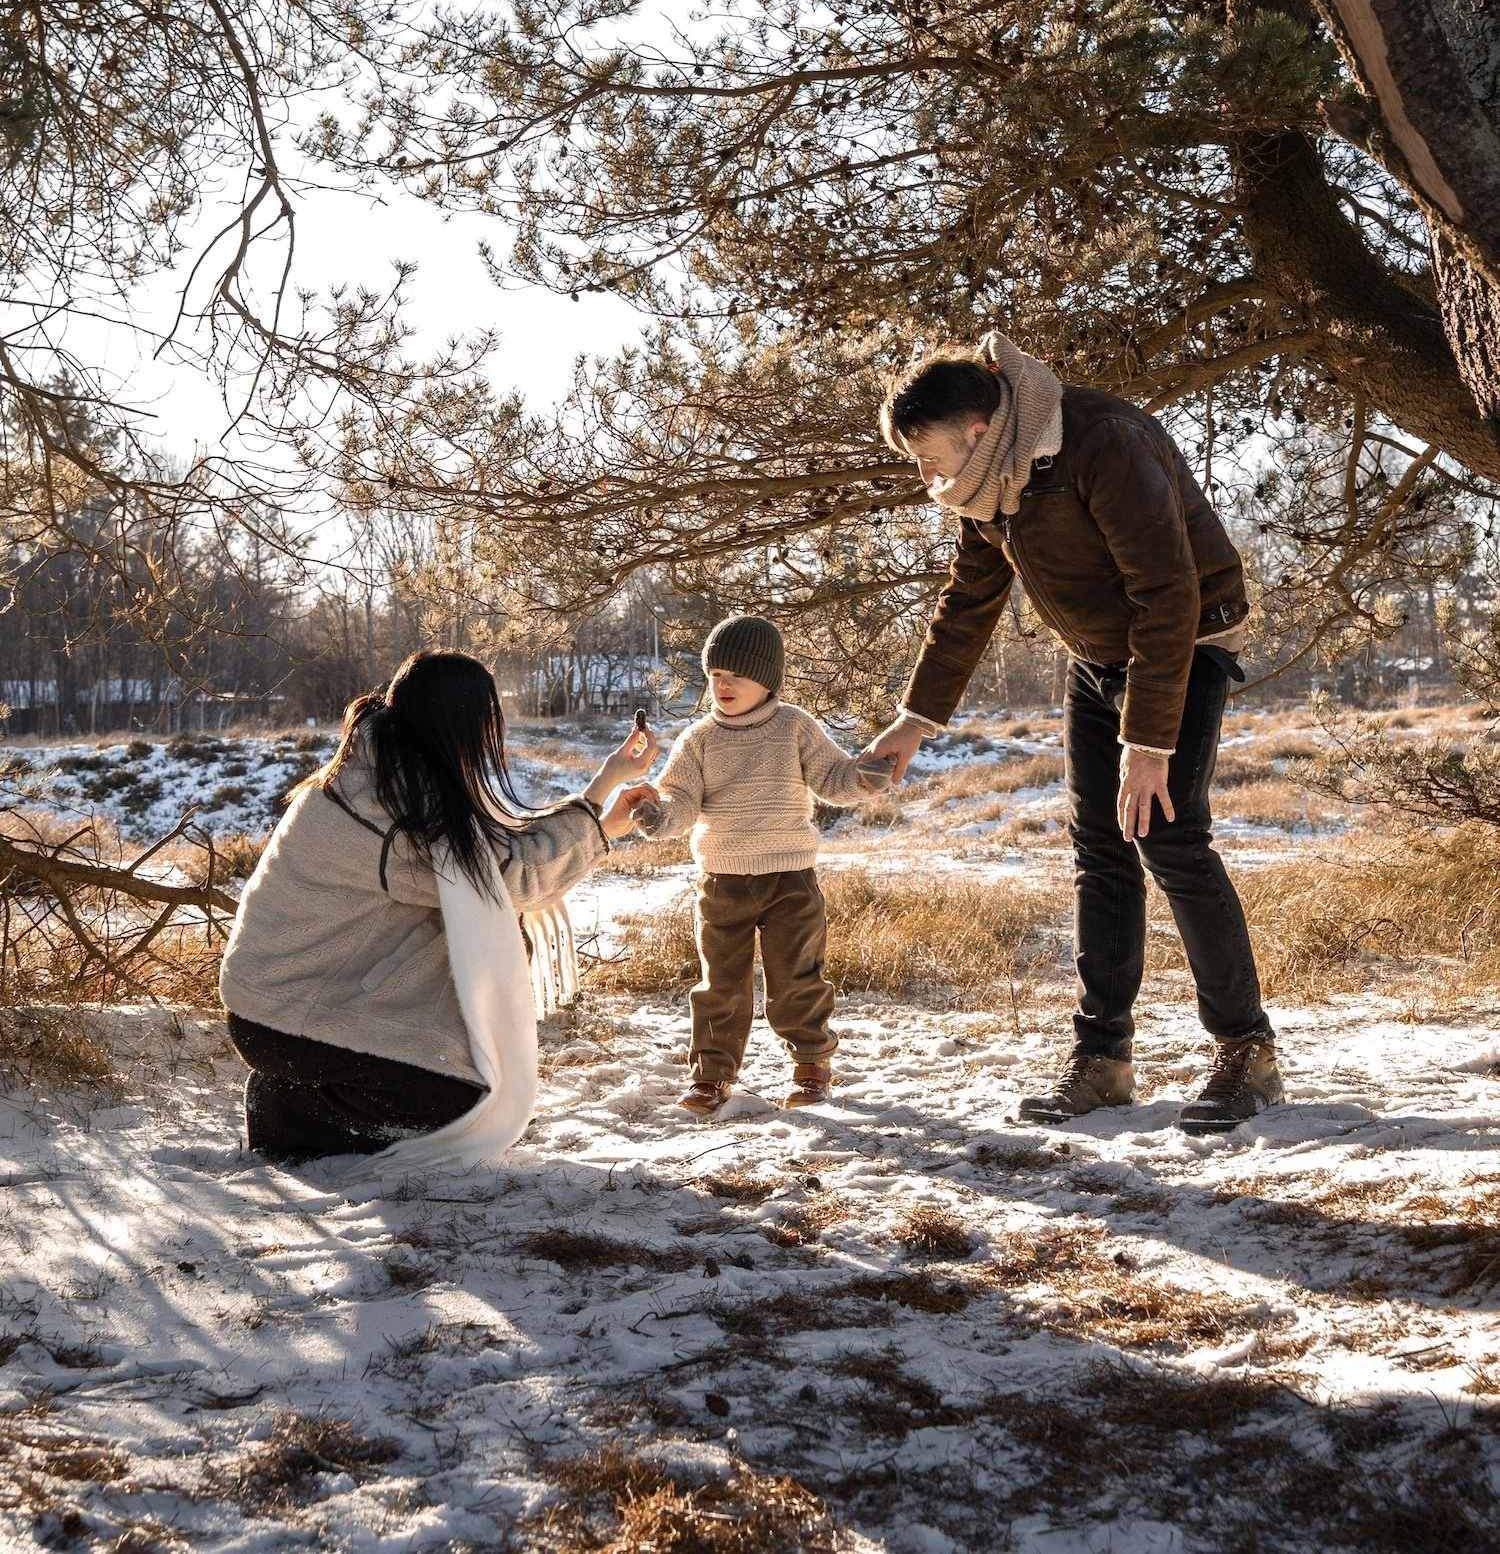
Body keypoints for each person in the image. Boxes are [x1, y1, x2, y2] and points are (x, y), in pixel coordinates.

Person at [869, 333, 1282, 1136]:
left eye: (928, 457)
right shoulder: (989, 486)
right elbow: (968, 600)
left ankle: (1248, 1051)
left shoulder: (1101, 442)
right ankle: (1103, 1061)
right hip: (1098, 654)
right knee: (1100, 847)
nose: (925, 477)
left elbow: (1168, 592)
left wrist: (1148, 744)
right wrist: (915, 720)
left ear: (979, 430)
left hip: (1185, 638)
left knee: (1168, 836)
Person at [219, 650, 655, 1161]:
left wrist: (603, 797)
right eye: (486, 718)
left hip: (283, 1003)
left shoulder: (385, 772)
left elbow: (496, 856)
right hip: (286, 1019)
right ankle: (287, 1111)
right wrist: (600, 805)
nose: (493, 733)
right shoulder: (393, 808)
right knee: (464, 1101)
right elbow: (512, 880)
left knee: (467, 1072)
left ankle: (311, 1091)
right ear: (455, 722)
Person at [629, 613, 883, 1116]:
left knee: (797, 978)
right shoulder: (699, 739)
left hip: (790, 880)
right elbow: (681, 799)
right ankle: (712, 1075)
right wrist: (659, 815)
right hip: (723, 883)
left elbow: (833, 778)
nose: (723, 685)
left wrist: (865, 776)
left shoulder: (794, 726)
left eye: (737, 675)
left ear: (766, 680)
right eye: (716, 675)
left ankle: (811, 1066)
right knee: (720, 984)